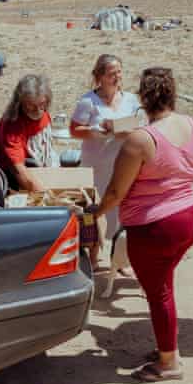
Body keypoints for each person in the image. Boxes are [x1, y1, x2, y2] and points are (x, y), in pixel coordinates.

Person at [86, 67, 193, 382]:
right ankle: (168, 349)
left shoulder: (141, 139)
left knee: (159, 292)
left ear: (144, 97)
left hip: (155, 227)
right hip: (189, 217)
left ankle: (169, 363)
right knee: (164, 286)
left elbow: (115, 192)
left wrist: (94, 213)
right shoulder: (191, 125)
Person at [69, 54, 142, 270]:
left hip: (123, 164)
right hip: (96, 165)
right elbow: (74, 130)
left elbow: (139, 125)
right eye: (112, 74)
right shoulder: (87, 101)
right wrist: (96, 132)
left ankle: (119, 259)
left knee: (122, 210)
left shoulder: (130, 100)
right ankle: (92, 257)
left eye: (119, 72)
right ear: (99, 76)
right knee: (95, 210)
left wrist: (125, 128)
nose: (117, 77)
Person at [0, 74, 57, 192]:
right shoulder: (12, 126)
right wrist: (48, 198)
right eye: (31, 105)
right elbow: (18, 170)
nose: (38, 110)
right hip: (11, 177)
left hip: (38, 171)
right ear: (20, 102)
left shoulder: (43, 112)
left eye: (42, 104)